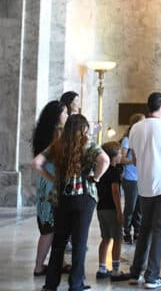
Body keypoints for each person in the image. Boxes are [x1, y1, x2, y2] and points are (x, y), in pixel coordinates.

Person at [34, 114, 110, 291]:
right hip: (83, 197)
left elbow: (36, 163)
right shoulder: (88, 144)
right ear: (84, 129)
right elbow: (105, 160)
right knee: (79, 242)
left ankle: (51, 284)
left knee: (59, 242)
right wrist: (96, 177)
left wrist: (52, 178)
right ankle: (76, 284)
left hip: (61, 198)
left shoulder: (57, 144)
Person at [128, 92, 161, 289]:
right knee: (160, 231)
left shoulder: (135, 128)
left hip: (144, 186)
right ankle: (152, 275)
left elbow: (134, 159)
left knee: (144, 229)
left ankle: (136, 272)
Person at [31, 100, 68, 277]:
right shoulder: (56, 135)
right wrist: (53, 178)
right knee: (49, 227)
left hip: (44, 182)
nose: (67, 116)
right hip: (50, 183)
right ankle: (39, 266)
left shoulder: (44, 132)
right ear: (57, 116)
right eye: (65, 112)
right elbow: (38, 163)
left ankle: (50, 263)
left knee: (49, 226)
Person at [95, 141, 130, 281]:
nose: (122, 155)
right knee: (117, 238)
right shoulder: (115, 171)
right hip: (111, 209)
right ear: (113, 156)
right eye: (120, 153)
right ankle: (115, 271)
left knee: (105, 238)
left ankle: (102, 269)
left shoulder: (101, 169)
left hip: (101, 208)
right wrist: (120, 212)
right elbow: (115, 192)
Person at [120, 113, 145, 243]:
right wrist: (134, 161)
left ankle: (137, 230)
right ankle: (126, 230)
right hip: (130, 177)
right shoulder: (127, 139)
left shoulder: (142, 138)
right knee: (130, 206)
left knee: (140, 207)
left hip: (142, 177)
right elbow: (121, 158)